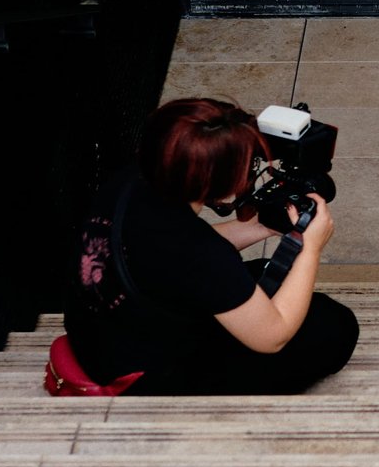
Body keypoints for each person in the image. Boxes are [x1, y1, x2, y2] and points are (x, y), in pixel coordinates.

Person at [62, 97, 356, 394]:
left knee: (259, 276)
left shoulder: (131, 180)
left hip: (95, 336)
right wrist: (311, 249)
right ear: (221, 185)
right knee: (333, 326)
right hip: (142, 376)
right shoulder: (196, 250)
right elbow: (272, 336)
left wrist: (261, 226)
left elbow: (178, 259)